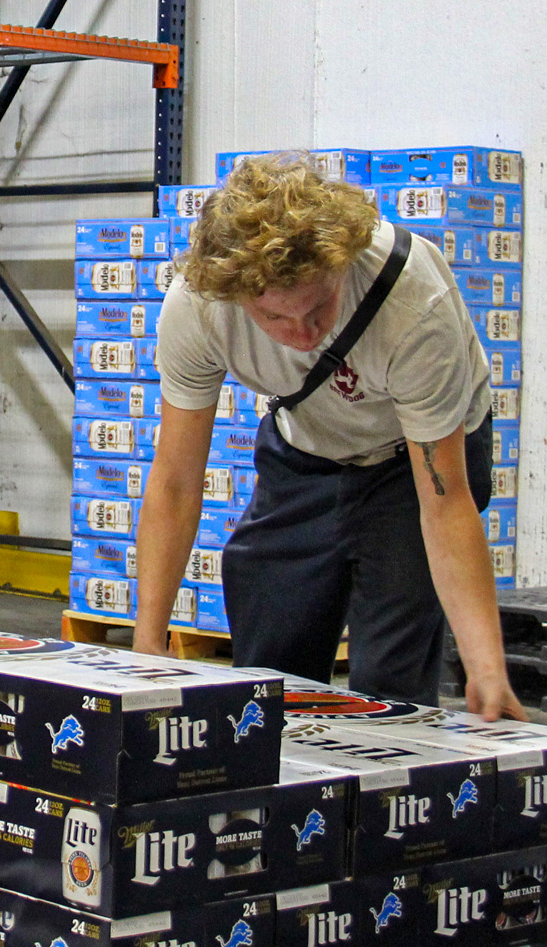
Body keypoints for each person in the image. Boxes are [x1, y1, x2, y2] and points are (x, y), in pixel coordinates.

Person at [131, 152, 525, 722]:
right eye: (275, 320)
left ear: (341, 266)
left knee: (389, 678)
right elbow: (175, 480)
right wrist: (148, 643)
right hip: (306, 447)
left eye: (318, 309)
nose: (302, 335)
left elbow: (445, 505)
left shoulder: (415, 305)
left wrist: (487, 672)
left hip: (409, 463)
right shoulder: (198, 307)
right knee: (269, 661)